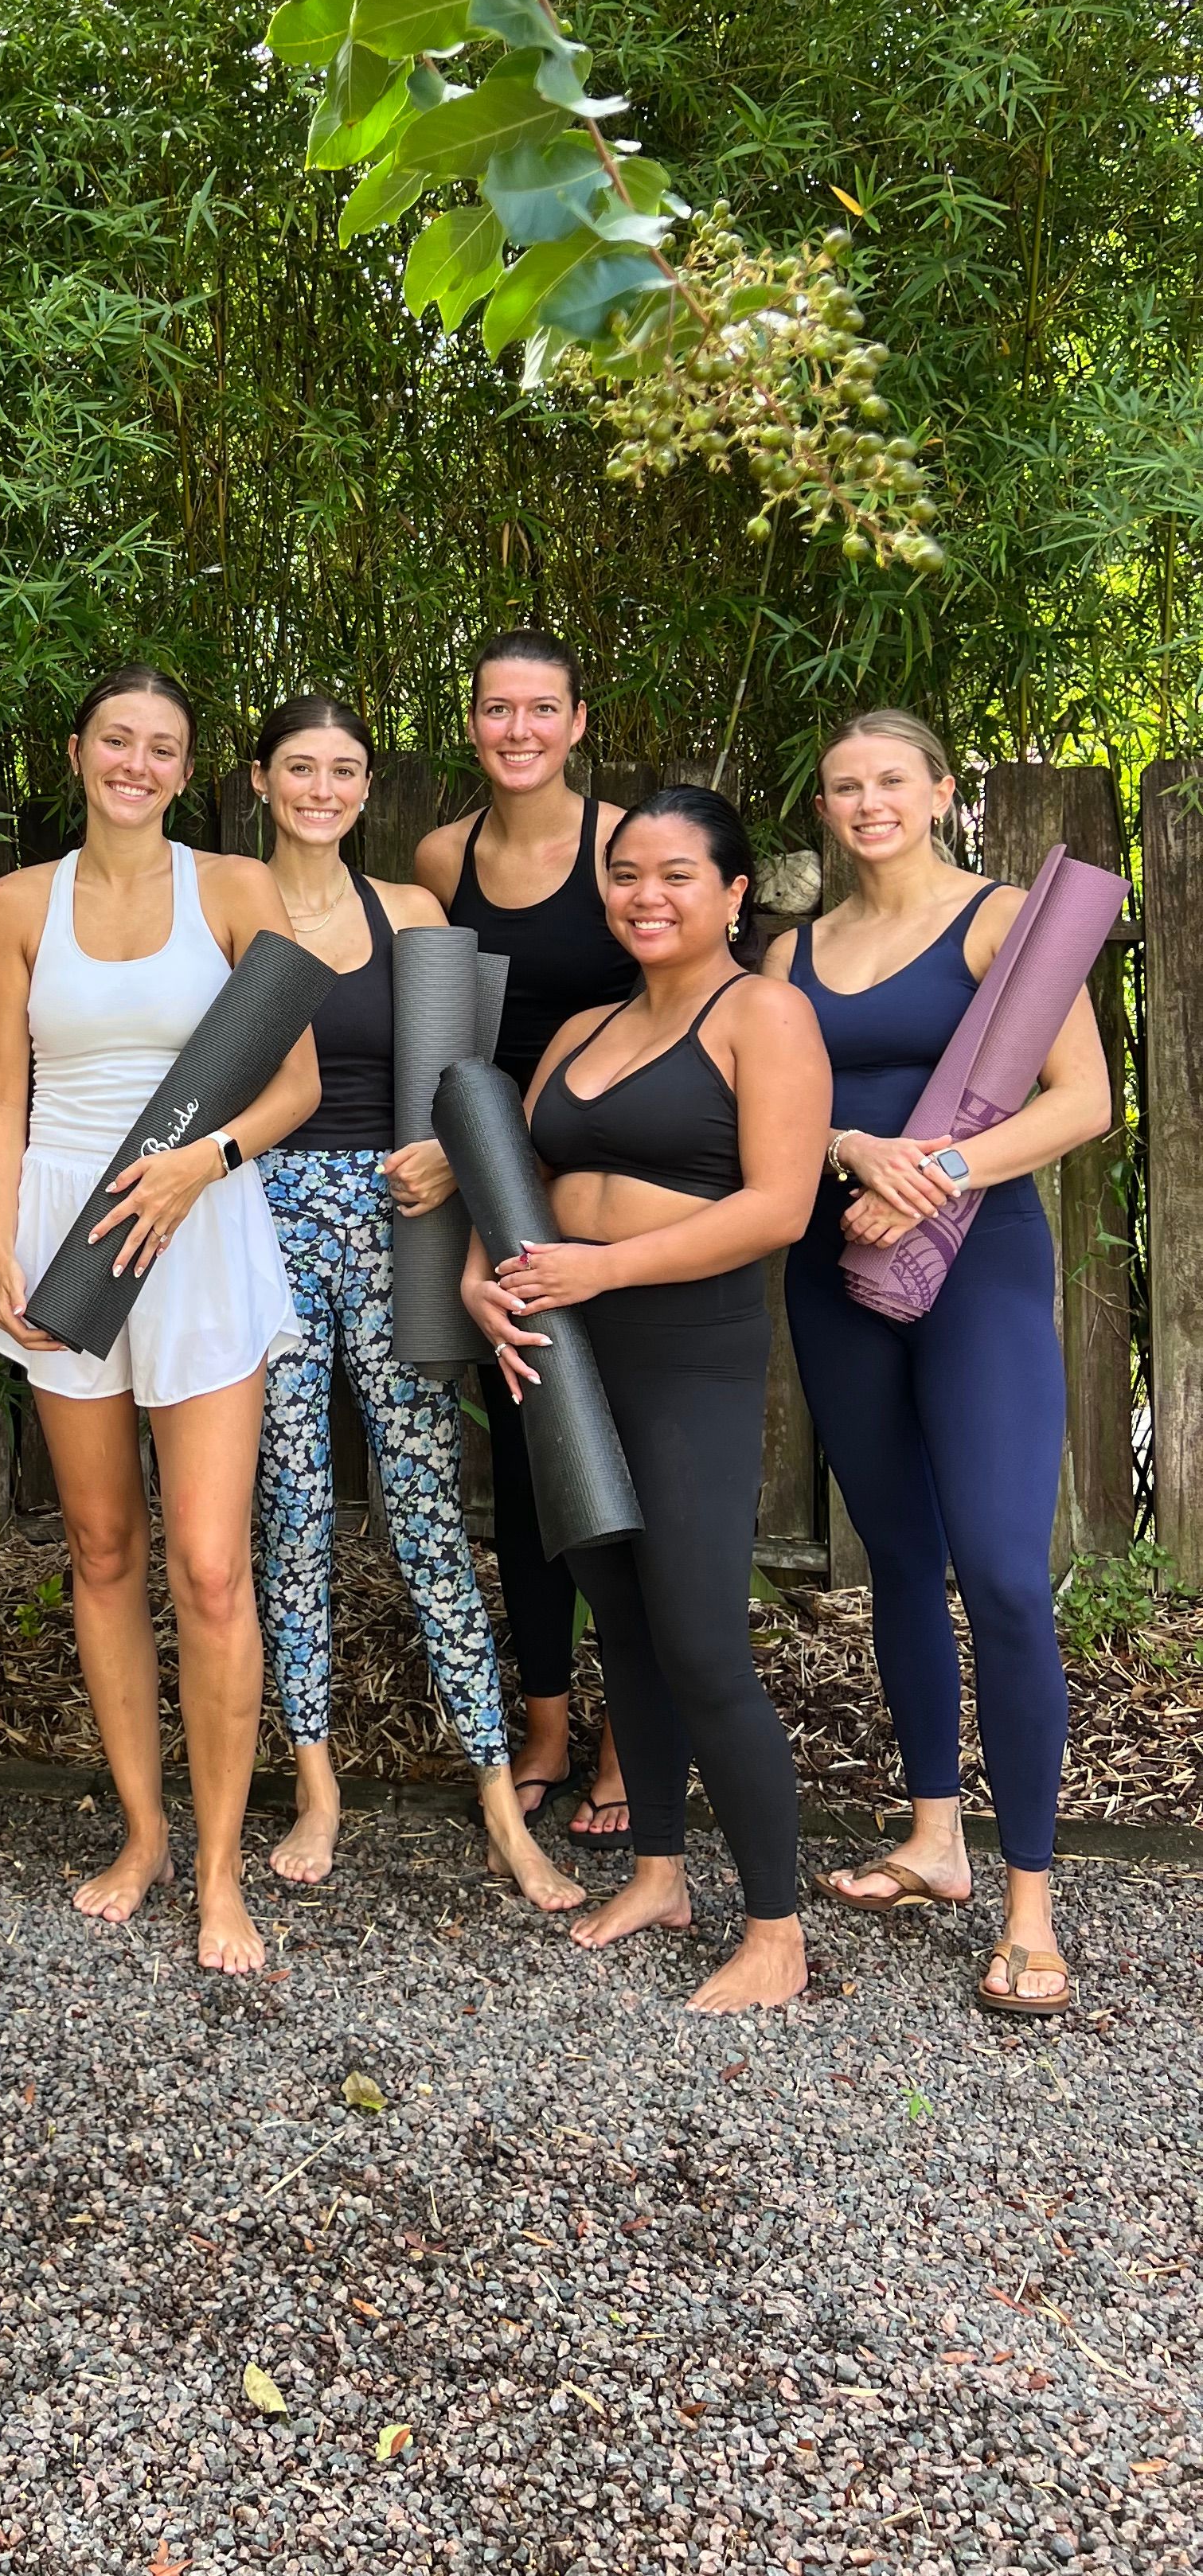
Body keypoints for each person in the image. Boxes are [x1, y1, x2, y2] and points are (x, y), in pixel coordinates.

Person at [768, 711, 1113, 2019]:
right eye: (845, 785)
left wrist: (939, 1173)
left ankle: (1031, 1900)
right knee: (898, 1559)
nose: (869, 805)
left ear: (942, 792)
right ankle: (933, 1837)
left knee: (1007, 1577)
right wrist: (858, 1150)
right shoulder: (793, 950)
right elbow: (770, 1109)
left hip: (981, 1267)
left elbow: (1084, 1102)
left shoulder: (1001, 921)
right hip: (833, 1262)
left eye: (892, 782)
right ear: (824, 803)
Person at [0, 664, 320, 1976]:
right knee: (104, 1548)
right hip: (67, 1241)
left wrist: (205, 1161)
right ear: (78, 751)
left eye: (162, 747)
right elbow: (4, 1093)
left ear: (188, 770)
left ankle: (224, 1869)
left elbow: (292, 1083)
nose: (135, 762)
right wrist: (9, 1253)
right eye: (114, 740)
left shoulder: (233, 889)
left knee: (211, 1567)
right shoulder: (19, 904)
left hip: (198, 1229)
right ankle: (142, 1834)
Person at [467, 786, 830, 2014]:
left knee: (698, 1635)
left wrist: (603, 1266)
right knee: (616, 1615)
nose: (646, 895)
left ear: (733, 895)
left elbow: (777, 1208)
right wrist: (482, 1280)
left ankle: (775, 1927)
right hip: (567, 1345)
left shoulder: (764, 1014)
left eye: (678, 874)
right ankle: (662, 1873)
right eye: (626, 874)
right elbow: (512, 1174)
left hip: (688, 1349)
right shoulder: (576, 1031)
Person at [248, 696, 583, 1911]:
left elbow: (463, 1071)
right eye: (300, 768)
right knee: (287, 1514)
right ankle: (316, 1783)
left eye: (343, 770)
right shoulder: (226, 902)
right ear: (260, 779)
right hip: (259, 1225)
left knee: (430, 1513)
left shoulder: (414, 912)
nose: (322, 789)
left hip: (397, 1225)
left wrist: (452, 1147)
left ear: (365, 786)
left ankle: (500, 1803)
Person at [406, 628, 632, 1840]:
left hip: (620, 1169)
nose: (519, 732)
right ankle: (544, 1713)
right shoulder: (445, 855)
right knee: (531, 1474)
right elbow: (440, 1029)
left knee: (634, 1450)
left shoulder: (624, 847)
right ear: (475, 721)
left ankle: (630, 1727)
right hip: (497, 1178)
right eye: (498, 710)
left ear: (577, 722)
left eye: (542, 710)